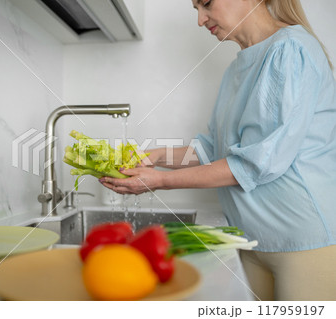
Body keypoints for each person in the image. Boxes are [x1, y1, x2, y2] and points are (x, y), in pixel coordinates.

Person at [99, 0, 336, 301]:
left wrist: (158, 181)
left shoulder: (291, 50)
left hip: (305, 240)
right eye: (196, 9)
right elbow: (212, 149)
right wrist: (156, 157)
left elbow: (255, 164)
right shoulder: (236, 68)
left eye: (207, 4)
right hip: (252, 241)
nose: (200, 20)